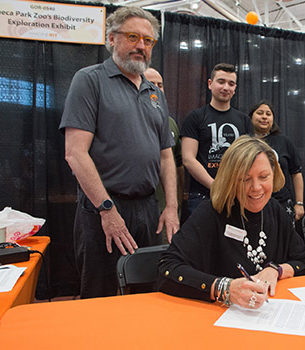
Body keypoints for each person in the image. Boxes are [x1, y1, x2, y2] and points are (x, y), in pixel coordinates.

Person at [59, 7, 179, 298]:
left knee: (148, 292)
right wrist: (107, 210)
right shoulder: (90, 80)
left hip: (148, 210)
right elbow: (75, 153)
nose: (141, 46)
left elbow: (166, 156)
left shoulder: (155, 94)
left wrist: (172, 206)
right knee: (99, 295)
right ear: (112, 38)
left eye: (148, 41)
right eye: (133, 37)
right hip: (104, 208)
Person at [157, 135, 305, 308]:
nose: (256, 187)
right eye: (245, 179)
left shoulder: (275, 209)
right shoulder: (211, 212)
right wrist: (224, 288)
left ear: (274, 175)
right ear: (230, 179)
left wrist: (276, 270)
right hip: (216, 316)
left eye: (264, 177)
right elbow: (167, 269)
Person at [181, 63, 253, 217]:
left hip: (237, 196)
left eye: (231, 83)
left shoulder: (244, 120)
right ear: (210, 84)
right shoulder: (195, 117)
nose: (226, 87)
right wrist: (216, 186)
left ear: (235, 88)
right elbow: (188, 159)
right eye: (221, 81)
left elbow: (250, 159)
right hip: (202, 196)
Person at [144, 67, 185, 242]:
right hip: (135, 207)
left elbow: (178, 164)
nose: (156, 88)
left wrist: (176, 202)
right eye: (151, 84)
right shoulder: (125, 118)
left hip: (165, 207)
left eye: (160, 85)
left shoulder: (170, 123)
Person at [248, 101, 305, 224]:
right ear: (251, 117)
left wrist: (299, 203)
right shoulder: (244, 142)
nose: (264, 117)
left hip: (282, 203)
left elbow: (296, 173)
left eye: (268, 114)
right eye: (260, 113)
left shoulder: (284, 141)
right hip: (252, 200)